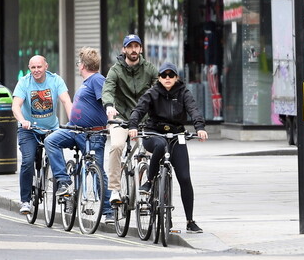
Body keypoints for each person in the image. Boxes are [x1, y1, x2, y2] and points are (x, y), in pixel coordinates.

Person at [128, 62, 208, 233]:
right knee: (160, 144)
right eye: (164, 75)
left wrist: (199, 128)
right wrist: (133, 126)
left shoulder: (183, 92)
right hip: (153, 133)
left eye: (171, 75)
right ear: (159, 77)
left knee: (185, 178)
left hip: (176, 135)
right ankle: (149, 182)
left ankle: (190, 221)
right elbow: (138, 109)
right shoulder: (152, 93)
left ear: (176, 77)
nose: (167, 78)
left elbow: (193, 110)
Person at [44, 47, 114, 223]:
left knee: (97, 171)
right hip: (74, 129)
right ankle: (64, 181)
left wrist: (110, 108)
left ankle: (108, 210)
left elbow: (106, 97)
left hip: (92, 134)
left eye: (78, 63)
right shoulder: (88, 81)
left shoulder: (97, 79)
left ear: (82, 65)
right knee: (51, 141)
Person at [12, 54, 73, 215]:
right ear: (29, 68)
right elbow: (16, 106)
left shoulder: (55, 80)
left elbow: (66, 101)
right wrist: (22, 120)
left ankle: (64, 193)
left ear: (46, 66)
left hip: (51, 129)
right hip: (28, 129)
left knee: (57, 159)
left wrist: (73, 121)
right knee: (27, 161)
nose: (36, 70)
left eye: (39, 66)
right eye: (33, 67)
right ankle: (25, 200)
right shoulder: (24, 82)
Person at [101, 34, 158, 204]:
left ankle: (148, 185)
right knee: (117, 146)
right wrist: (109, 105)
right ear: (124, 49)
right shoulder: (115, 70)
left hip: (144, 119)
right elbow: (108, 89)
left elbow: (159, 89)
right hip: (122, 118)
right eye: (130, 46)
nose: (133, 50)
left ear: (141, 49)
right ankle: (115, 189)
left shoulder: (149, 68)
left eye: (136, 46)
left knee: (152, 151)